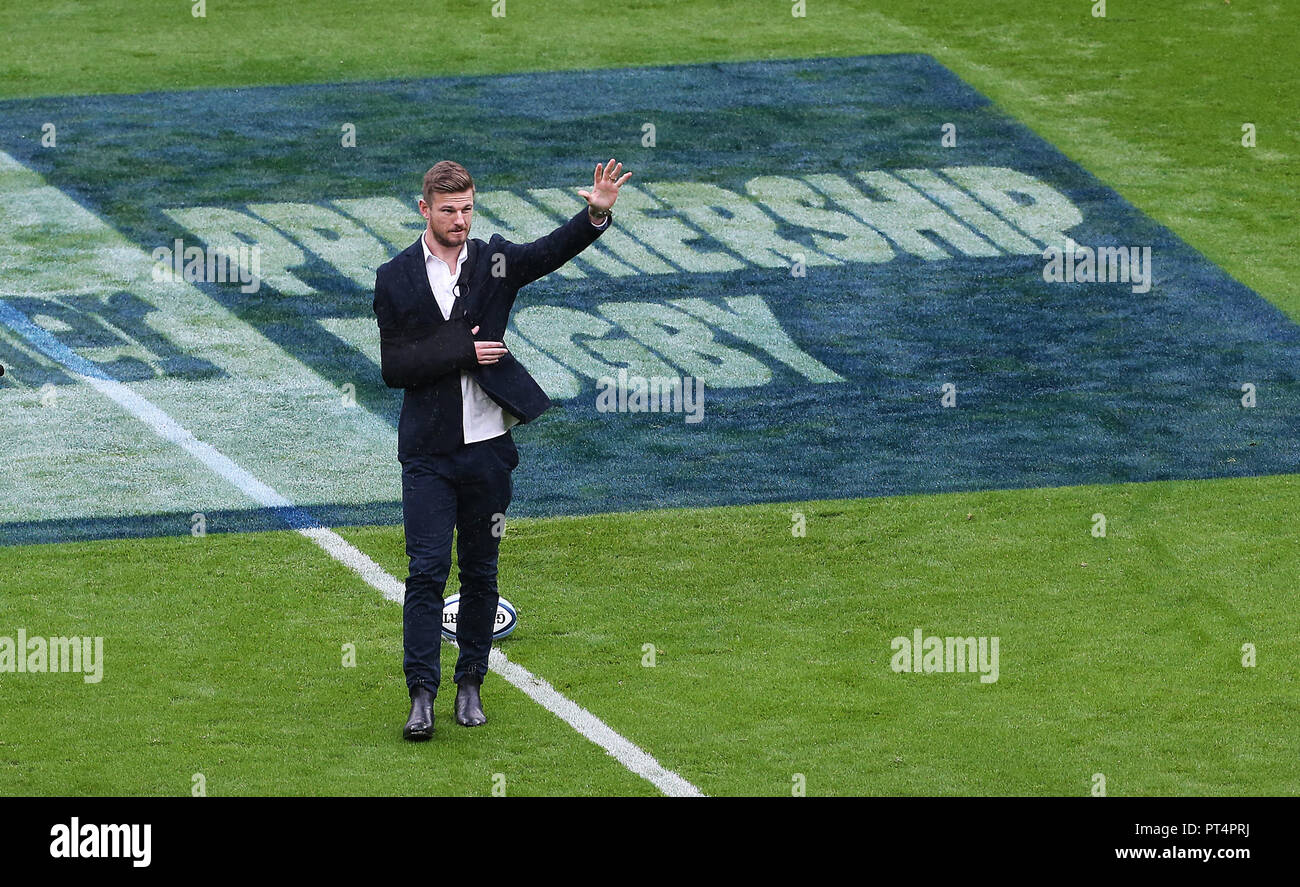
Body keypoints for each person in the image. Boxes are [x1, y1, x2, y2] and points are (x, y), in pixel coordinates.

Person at [372, 158, 631, 739]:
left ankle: (470, 685)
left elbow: (548, 252)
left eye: (467, 208)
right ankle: (421, 696)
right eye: (448, 211)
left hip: (489, 449)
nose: (460, 219)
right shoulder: (394, 277)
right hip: (428, 455)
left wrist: (594, 214)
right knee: (427, 570)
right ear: (424, 211)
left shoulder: (493, 259)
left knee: (482, 570)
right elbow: (396, 367)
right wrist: (462, 350)